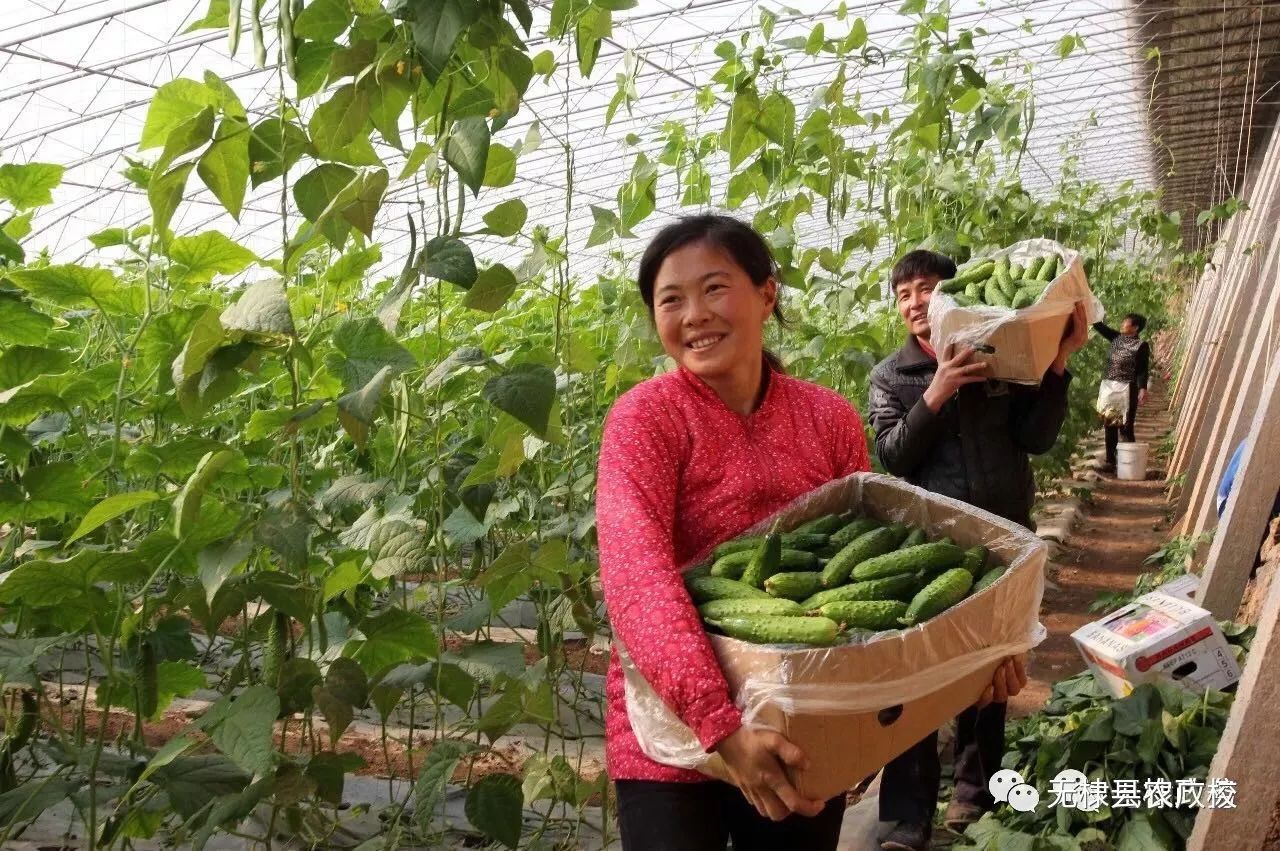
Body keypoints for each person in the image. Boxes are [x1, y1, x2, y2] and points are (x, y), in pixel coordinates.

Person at [595, 218, 1025, 851]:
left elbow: (875, 556)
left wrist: (974, 651)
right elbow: (637, 575)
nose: (694, 315)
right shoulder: (647, 418)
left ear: (767, 294)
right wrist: (721, 727)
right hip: (675, 734)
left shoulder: (826, 416)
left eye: (715, 288)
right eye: (670, 299)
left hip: (807, 722)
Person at [867, 249, 1089, 850]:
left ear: (952, 299)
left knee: (991, 670)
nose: (916, 303)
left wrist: (1059, 362)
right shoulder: (894, 377)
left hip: (1002, 534)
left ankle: (974, 795)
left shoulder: (1002, 355)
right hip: (929, 548)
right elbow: (891, 456)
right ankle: (908, 817)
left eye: (928, 289)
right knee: (916, 673)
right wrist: (936, 394)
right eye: (905, 293)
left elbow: (1035, 438)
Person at [1093, 313, 1150, 474]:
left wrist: (1142, 388)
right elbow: (1099, 326)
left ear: (1135, 327)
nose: (1122, 323)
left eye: (1126, 322)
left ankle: (1129, 465)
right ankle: (1110, 461)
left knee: (1125, 426)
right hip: (1110, 386)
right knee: (1109, 423)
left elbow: (1142, 370)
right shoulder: (1116, 338)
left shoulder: (1141, 345)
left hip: (1128, 388)